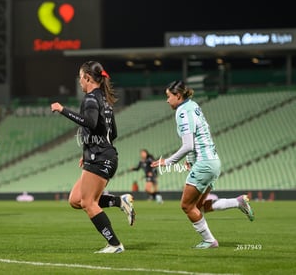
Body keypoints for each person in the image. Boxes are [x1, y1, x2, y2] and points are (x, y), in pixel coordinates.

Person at [151, 80, 254, 249]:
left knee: (186, 205)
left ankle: (209, 241)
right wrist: (191, 160)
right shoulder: (193, 105)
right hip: (213, 161)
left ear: (178, 95)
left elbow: (188, 145)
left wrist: (167, 162)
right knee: (198, 206)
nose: (167, 100)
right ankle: (237, 202)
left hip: (205, 163)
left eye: (169, 96)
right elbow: (200, 136)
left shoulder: (182, 111)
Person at [51, 61, 135, 254]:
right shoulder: (104, 100)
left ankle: (115, 244)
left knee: (88, 203)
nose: (79, 81)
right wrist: (88, 152)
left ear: (87, 77)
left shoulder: (90, 98)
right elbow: (112, 133)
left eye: (80, 76)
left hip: (101, 158)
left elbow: (89, 122)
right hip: (101, 155)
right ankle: (118, 201)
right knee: (75, 200)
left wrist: (63, 110)